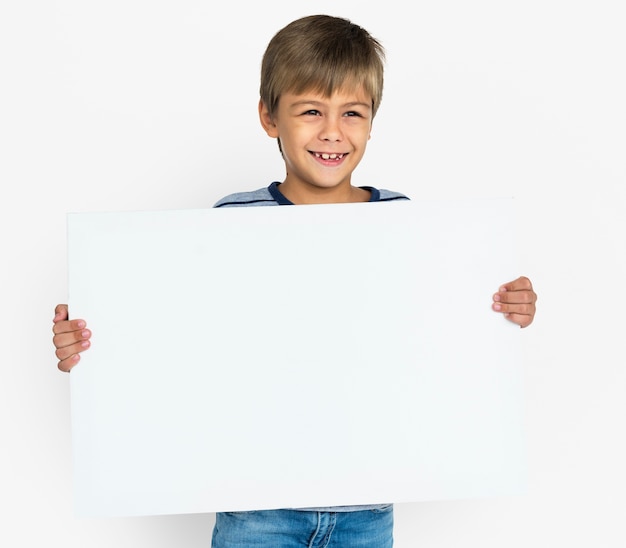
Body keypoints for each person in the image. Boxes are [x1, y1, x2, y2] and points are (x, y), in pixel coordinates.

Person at [52, 14, 537, 547]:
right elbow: (182, 340)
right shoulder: (230, 222)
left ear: (373, 122)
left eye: (352, 113)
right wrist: (95, 344)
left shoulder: (404, 222)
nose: (333, 131)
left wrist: (504, 309)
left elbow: (435, 338)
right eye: (311, 111)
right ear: (269, 117)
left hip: (368, 511)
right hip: (257, 512)